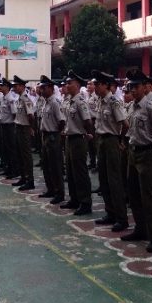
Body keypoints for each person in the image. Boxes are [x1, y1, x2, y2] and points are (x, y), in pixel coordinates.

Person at [122, 68, 152, 252]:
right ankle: (140, 229)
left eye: (136, 86)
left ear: (144, 87)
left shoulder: (150, 106)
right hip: (133, 151)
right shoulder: (132, 106)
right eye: (130, 86)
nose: (132, 89)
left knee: (148, 197)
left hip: (146, 153)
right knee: (133, 194)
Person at [92, 70, 129, 231]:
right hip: (101, 141)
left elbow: (125, 124)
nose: (95, 87)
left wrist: (120, 140)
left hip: (112, 140)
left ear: (106, 85)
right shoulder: (100, 101)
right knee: (104, 179)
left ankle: (121, 218)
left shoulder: (114, 101)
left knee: (114, 181)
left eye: (98, 84)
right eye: (95, 84)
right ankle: (110, 213)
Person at [60, 70, 94, 215]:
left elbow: (87, 121)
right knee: (70, 171)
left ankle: (85, 202)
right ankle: (74, 199)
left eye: (70, 83)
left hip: (78, 139)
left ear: (78, 85)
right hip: (69, 138)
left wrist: (88, 134)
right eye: (66, 83)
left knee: (80, 172)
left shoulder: (80, 101)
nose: (67, 85)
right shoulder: (69, 100)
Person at [38, 75, 66, 204]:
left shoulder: (55, 102)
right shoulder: (46, 102)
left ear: (50, 88)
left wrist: (56, 134)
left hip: (53, 136)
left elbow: (61, 121)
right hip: (46, 136)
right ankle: (50, 189)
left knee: (55, 165)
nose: (41, 90)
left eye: (43, 88)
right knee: (46, 164)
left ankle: (59, 192)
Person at [12, 75, 36, 190]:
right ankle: (23, 177)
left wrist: (30, 128)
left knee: (26, 155)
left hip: (24, 128)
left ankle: (29, 179)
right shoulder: (19, 99)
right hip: (19, 127)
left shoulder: (26, 99)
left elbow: (31, 116)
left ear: (22, 86)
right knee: (19, 154)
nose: (14, 88)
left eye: (16, 86)